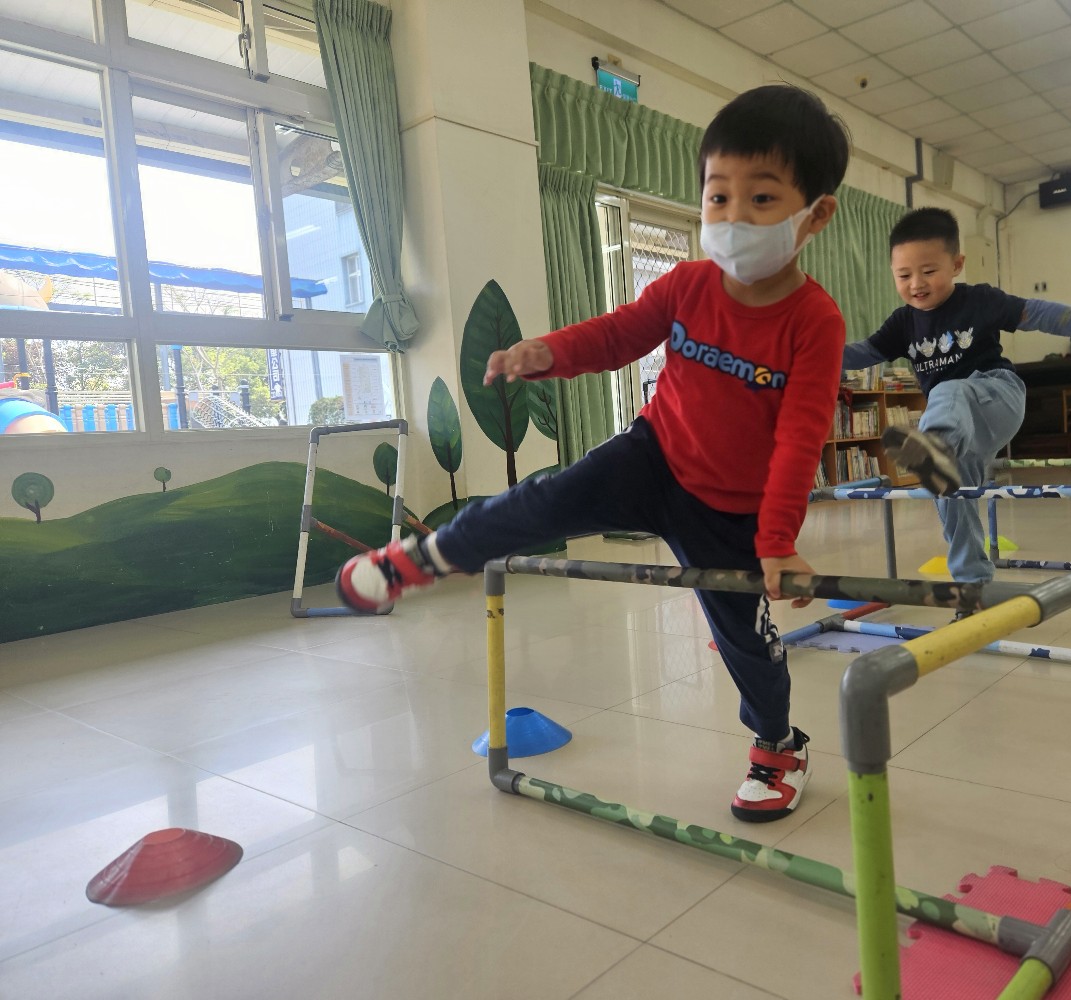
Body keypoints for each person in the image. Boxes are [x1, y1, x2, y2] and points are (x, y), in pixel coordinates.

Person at [337, 85, 851, 823]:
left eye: (762, 199)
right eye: (717, 196)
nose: (733, 218)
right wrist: (546, 352)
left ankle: (777, 743)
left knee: (744, 637)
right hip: (654, 455)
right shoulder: (689, 283)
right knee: (541, 500)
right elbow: (618, 334)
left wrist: (775, 541)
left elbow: (801, 438)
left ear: (815, 215)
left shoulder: (814, 322)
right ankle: (421, 557)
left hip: (733, 506)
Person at [839, 206, 1071, 584]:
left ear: (957, 264)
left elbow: (1037, 312)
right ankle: (973, 582)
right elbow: (862, 354)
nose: (916, 283)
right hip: (958, 426)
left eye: (929, 271)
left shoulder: (979, 300)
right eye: (904, 275)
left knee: (948, 390)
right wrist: (806, 357)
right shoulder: (902, 322)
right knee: (951, 495)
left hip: (997, 396)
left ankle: (937, 446)